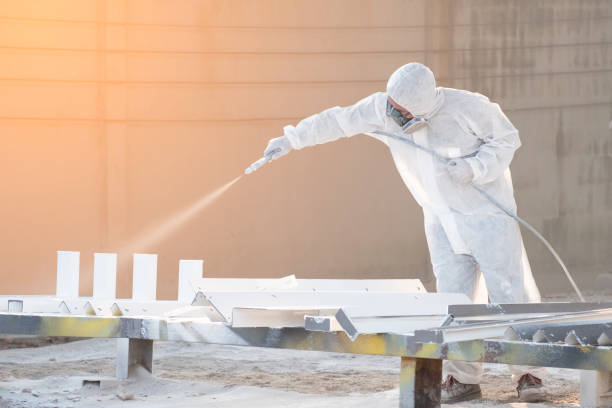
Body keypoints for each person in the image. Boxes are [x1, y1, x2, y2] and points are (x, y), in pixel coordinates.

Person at [258, 62, 545, 403]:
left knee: (510, 294)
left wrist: (476, 167)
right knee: (454, 302)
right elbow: (337, 120)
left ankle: (529, 374)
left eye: (401, 111)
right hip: (440, 220)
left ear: (423, 108)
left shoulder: (468, 107)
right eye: (392, 106)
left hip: (487, 217)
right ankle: (462, 378)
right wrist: (291, 139)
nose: (393, 114)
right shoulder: (383, 108)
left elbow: (507, 138)